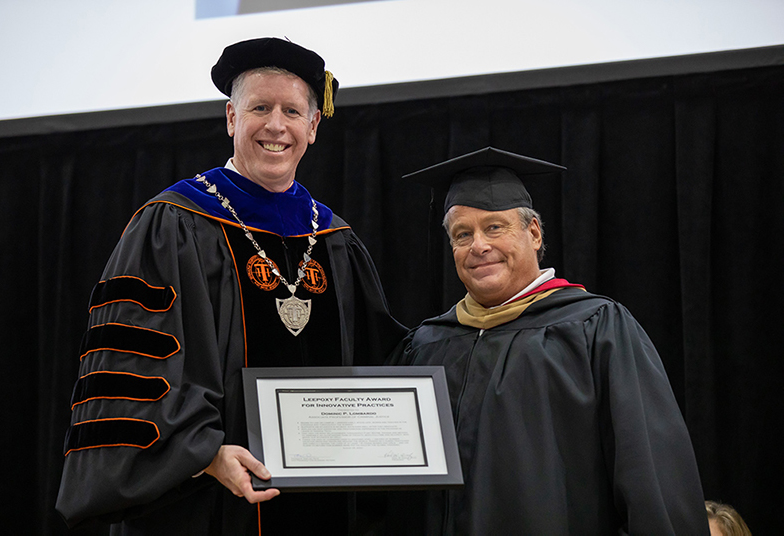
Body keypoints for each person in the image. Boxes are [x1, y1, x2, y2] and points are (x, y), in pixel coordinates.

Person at [55, 37, 405, 535]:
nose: (276, 126)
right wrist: (202, 453)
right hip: (205, 503)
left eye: (291, 110)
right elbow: (131, 364)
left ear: (313, 125)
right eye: (259, 107)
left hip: (321, 503)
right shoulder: (173, 224)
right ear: (231, 119)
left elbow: (380, 361)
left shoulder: (335, 239)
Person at [386, 147, 710, 534]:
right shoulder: (426, 345)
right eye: (462, 234)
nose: (478, 246)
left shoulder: (596, 328)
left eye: (494, 227)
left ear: (534, 233)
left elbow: (652, 480)